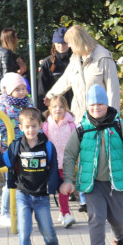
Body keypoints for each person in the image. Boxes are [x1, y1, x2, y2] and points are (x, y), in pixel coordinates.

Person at [63, 85, 123, 245]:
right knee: (96, 219)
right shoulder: (81, 129)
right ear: (87, 107)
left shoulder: (119, 125)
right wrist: (68, 180)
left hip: (117, 182)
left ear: (106, 104)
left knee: (120, 219)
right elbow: (69, 155)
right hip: (92, 184)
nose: (96, 108)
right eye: (92, 105)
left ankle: (119, 237)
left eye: (100, 104)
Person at [0, 107, 72, 245]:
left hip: (41, 196)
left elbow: (53, 170)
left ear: (40, 126)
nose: (31, 130)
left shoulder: (48, 147)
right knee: (24, 230)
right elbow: (2, 161)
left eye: (34, 126)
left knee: (48, 231)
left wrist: (61, 185)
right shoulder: (16, 146)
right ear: (21, 127)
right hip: (23, 195)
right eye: (27, 126)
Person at [45, 24, 121, 122]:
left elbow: (113, 90)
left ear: (78, 42)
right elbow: (65, 79)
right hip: (79, 117)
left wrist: (113, 117)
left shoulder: (103, 57)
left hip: (101, 117)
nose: (68, 46)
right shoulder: (75, 58)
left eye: (69, 42)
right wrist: (50, 95)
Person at [0, 72, 30, 226]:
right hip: (11, 148)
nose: (22, 92)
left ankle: (22, 211)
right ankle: (4, 213)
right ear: (8, 91)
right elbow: (3, 128)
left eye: (24, 88)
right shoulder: (3, 106)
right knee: (10, 181)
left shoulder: (28, 103)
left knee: (25, 180)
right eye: (18, 89)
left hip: (28, 147)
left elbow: (35, 120)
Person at [42, 94, 76, 227]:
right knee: (50, 190)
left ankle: (66, 214)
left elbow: (77, 143)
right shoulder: (45, 126)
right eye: (55, 106)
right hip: (51, 165)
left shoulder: (72, 125)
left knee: (64, 189)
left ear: (66, 108)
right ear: (49, 108)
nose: (58, 109)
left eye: (61, 107)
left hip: (66, 163)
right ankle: (60, 213)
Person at [0, 27, 27, 104]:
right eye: (15, 37)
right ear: (9, 39)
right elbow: (7, 76)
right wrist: (20, 72)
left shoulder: (1, 51)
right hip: (3, 91)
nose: (17, 39)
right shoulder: (6, 53)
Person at [37, 26, 72, 109]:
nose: (61, 46)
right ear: (54, 43)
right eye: (58, 43)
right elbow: (42, 90)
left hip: (74, 106)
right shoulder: (47, 63)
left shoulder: (76, 60)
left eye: (64, 43)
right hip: (55, 108)